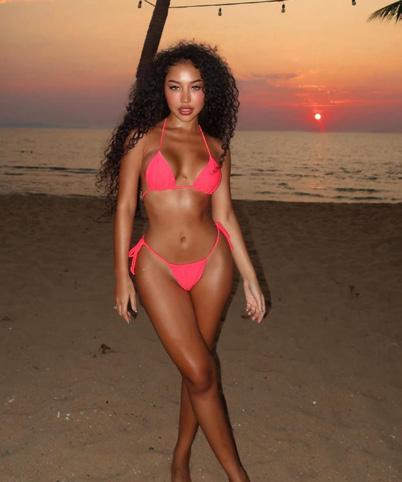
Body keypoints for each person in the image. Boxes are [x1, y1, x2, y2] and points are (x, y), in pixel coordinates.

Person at [97, 40, 266, 482]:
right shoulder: (141, 139)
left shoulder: (218, 147)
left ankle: (181, 457)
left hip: (212, 264)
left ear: (210, 92)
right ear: (162, 90)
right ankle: (237, 476)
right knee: (201, 371)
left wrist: (249, 278)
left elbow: (224, 215)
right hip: (157, 266)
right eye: (175, 87)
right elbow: (125, 208)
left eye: (195, 87)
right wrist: (121, 275)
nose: (186, 98)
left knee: (199, 369)